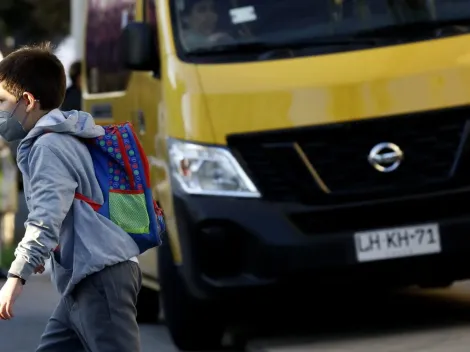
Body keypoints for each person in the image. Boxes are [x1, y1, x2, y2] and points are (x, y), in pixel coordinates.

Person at [0, 43, 142, 352]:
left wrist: (16, 276)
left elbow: (46, 217)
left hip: (101, 279)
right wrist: (46, 249)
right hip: (84, 280)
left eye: (1, 100)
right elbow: (66, 209)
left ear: (27, 101)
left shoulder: (48, 147)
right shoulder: (64, 137)